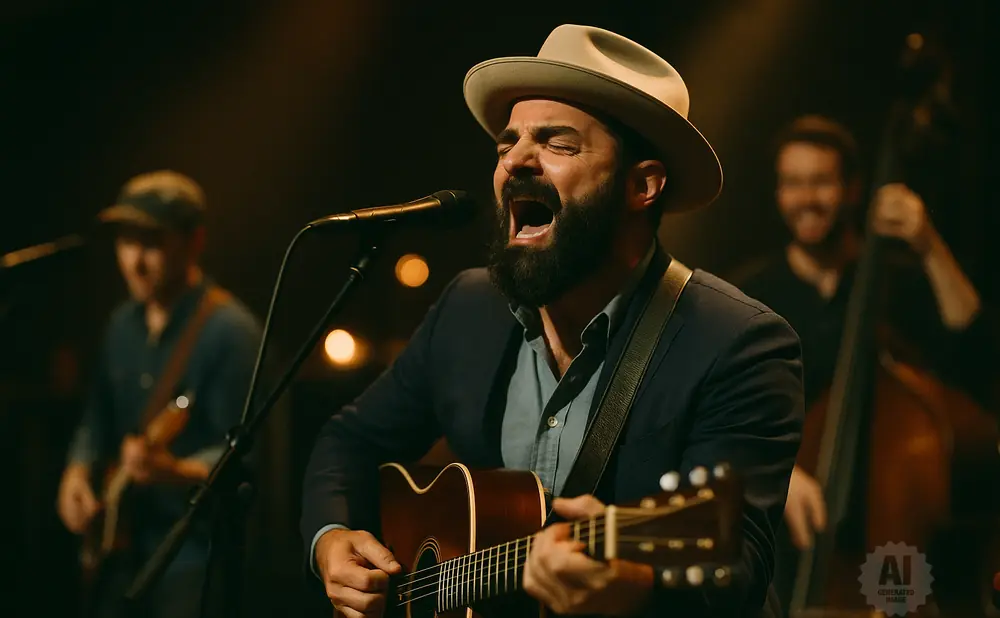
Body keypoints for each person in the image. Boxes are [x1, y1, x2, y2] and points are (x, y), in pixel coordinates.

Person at [302, 24, 805, 618]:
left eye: (558, 143)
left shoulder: (737, 345)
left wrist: (638, 587)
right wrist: (331, 540)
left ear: (642, 185)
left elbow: (736, 568)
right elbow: (350, 440)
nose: (514, 160)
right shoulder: (469, 309)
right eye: (506, 143)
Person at [731, 115, 996, 609]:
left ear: (853, 190)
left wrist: (927, 243)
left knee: (899, 604)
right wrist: (780, 472)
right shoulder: (751, 296)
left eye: (821, 181)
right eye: (792, 183)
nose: (806, 198)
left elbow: (975, 344)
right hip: (790, 540)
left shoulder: (894, 281)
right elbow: (724, 415)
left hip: (895, 532)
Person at [56, 170, 263, 618]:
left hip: (191, 550)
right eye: (126, 242)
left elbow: (246, 456)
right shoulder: (121, 325)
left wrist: (178, 470)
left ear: (194, 242)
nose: (135, 261)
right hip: (122, 541)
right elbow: (97, 417)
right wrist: (76, 472)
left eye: (151, 242)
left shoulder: (231, 332)